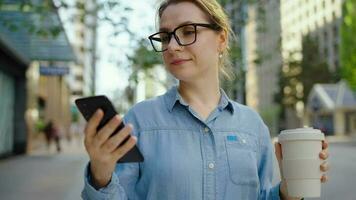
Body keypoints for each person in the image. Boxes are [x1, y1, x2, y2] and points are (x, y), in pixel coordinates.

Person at [81, 0, 329, 199]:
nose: (172, 47)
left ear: (221, 39)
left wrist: (288, 190)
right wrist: (101, 174)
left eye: (188, 32)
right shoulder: (140, 121)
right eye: (166, 37)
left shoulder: (252, 126)